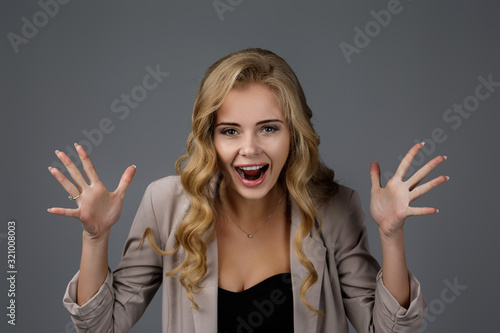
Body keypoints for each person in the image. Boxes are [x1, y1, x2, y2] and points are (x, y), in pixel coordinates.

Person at [48, 48, 448, 332]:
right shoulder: (166, 203)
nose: (250, 149)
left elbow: (390, 330)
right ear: (210, 138)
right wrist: (95, 238)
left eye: (269, 128)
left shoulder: (335, 209)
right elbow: (100, 326)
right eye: (230, 131)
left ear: (295, 134)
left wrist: (391, 237)